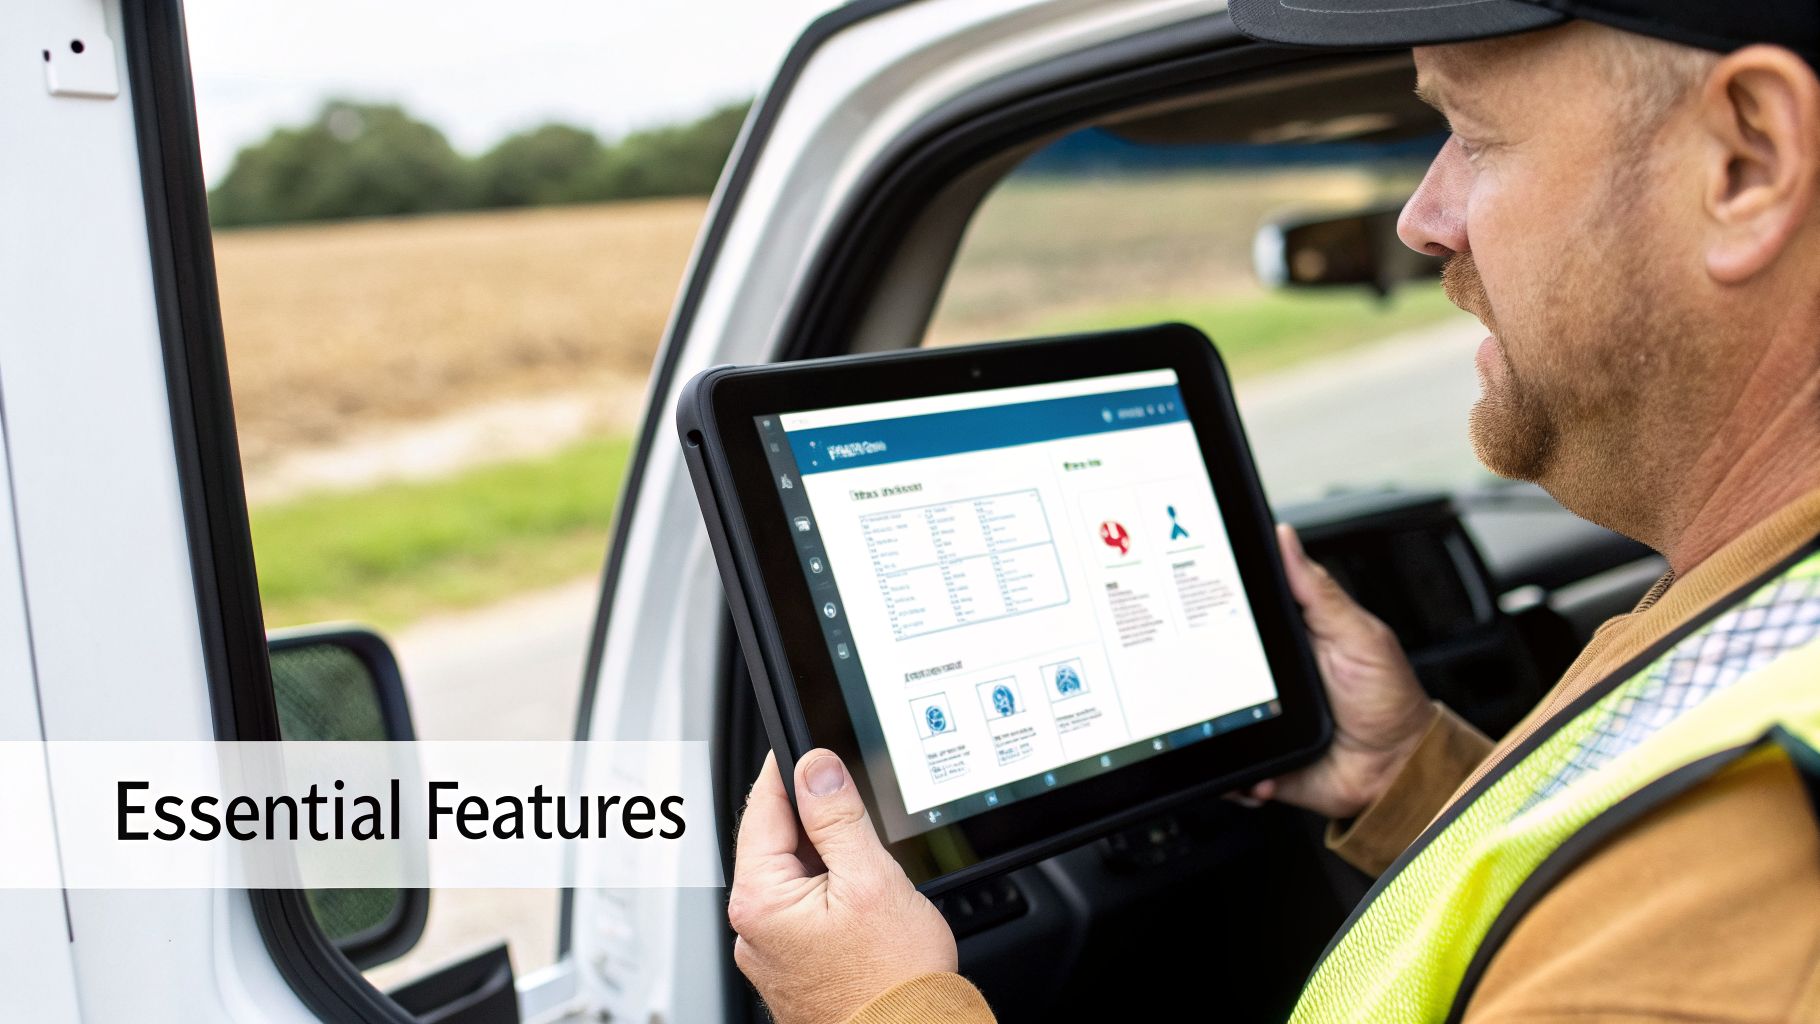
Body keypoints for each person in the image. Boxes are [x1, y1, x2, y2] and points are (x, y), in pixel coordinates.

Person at [725, 3, 1820, 1021]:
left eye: (1472, 136)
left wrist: (882, 1004)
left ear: (1745, 159)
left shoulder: (1737, 870)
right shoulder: (1758, 604)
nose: (1418, 219)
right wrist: (1405, 774)